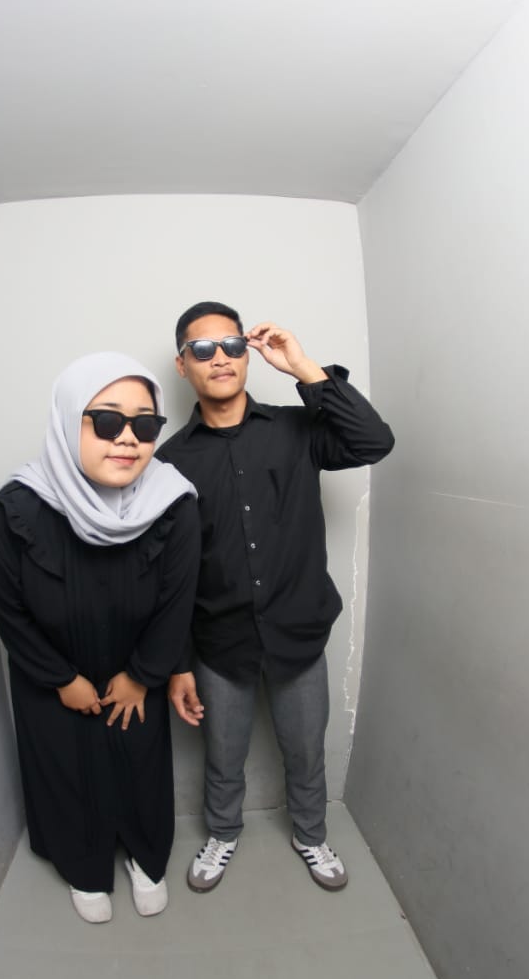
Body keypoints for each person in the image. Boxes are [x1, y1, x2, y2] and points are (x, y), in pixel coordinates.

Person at [157, 303, 394, 894]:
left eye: (232, 345)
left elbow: (374, 441)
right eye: (202, 349)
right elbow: (170, 577)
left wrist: (302, 366)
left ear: (247, 353)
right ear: (183, 364)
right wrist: (179, 664)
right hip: (219, 643)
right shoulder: (169, 462)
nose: (220, 358)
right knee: (222, 755)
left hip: (298, 633)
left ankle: (311, 834)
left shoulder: (298, 428)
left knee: (306, 751)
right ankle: (222, 832)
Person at [0, 353, 199, 924]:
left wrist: (142, 676)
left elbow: (177, 602)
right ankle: (84, 864)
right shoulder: (13, 510)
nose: (127, 438)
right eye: (106, 420)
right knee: (64, 768)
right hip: (50, 674)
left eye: (145, 424)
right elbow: (8, 610)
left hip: (138, 670)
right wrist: (60, 679)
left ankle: (145, 855)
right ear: (67, 419)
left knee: (140, 764)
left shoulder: (173, 502)